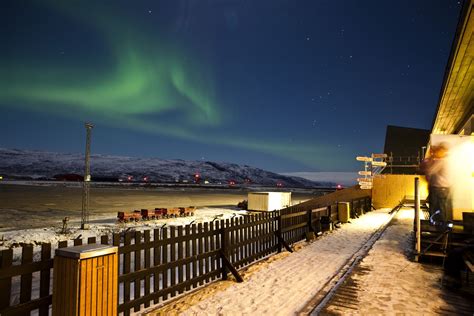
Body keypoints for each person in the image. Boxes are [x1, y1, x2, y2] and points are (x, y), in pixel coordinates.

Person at [420, 143, 453, 225]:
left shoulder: (441, 161)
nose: (435, 153)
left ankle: (439, 227)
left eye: (437, 151)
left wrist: (430, 158)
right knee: (443, 207)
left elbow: (430, 170)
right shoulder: (445, 160)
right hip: (444, 188)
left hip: (439, 188)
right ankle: (443, 225)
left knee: (438, 208)